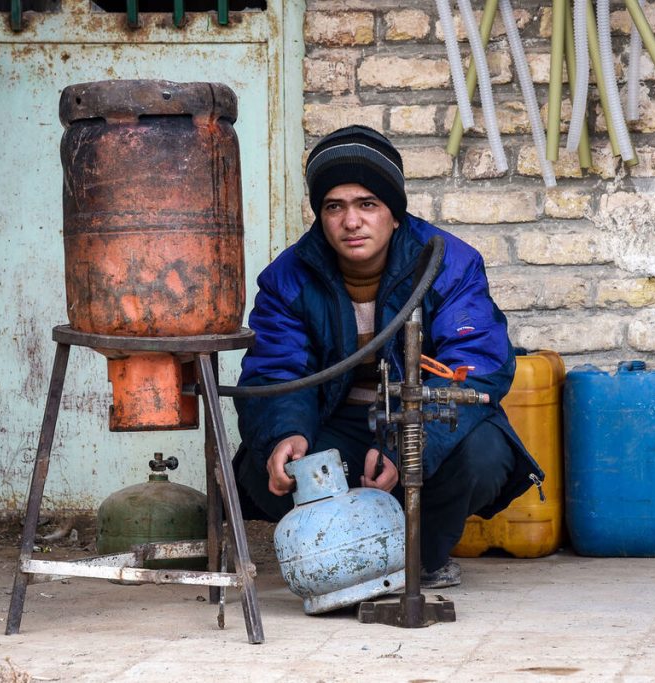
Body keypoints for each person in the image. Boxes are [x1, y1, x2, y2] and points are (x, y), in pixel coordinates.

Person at [233, 125, 543, 589]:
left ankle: (424, 556)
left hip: (418, 416)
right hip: (334, 423)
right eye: (334, 207)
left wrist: (404, 444)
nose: (351, 222)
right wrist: (287, 434)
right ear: (320, 215)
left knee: (484, 454)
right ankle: (343, 559)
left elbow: (478, 364)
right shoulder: (287, 278)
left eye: (367, 205)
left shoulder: (446, 261)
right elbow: (276, 372)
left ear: (394, 214)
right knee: (266, 470)